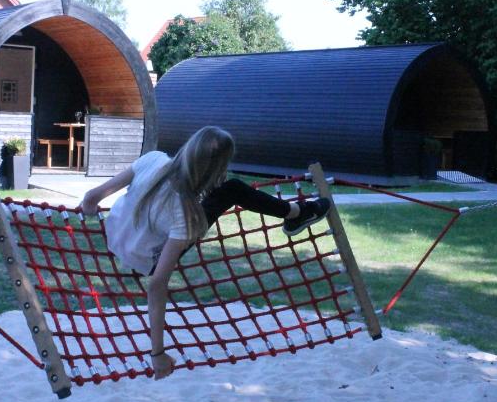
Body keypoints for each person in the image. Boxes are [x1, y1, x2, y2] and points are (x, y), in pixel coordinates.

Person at [80, 126, 330, 381]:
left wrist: (89, 208)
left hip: (113, 234)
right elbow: (157, 282)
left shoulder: (153, 159)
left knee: (226, 190)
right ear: (216, 169)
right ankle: (297, 213)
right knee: (232, 189)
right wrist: (157, 353)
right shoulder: (185, 214)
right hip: (144, 259)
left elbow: (92, 197)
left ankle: (296, 213)